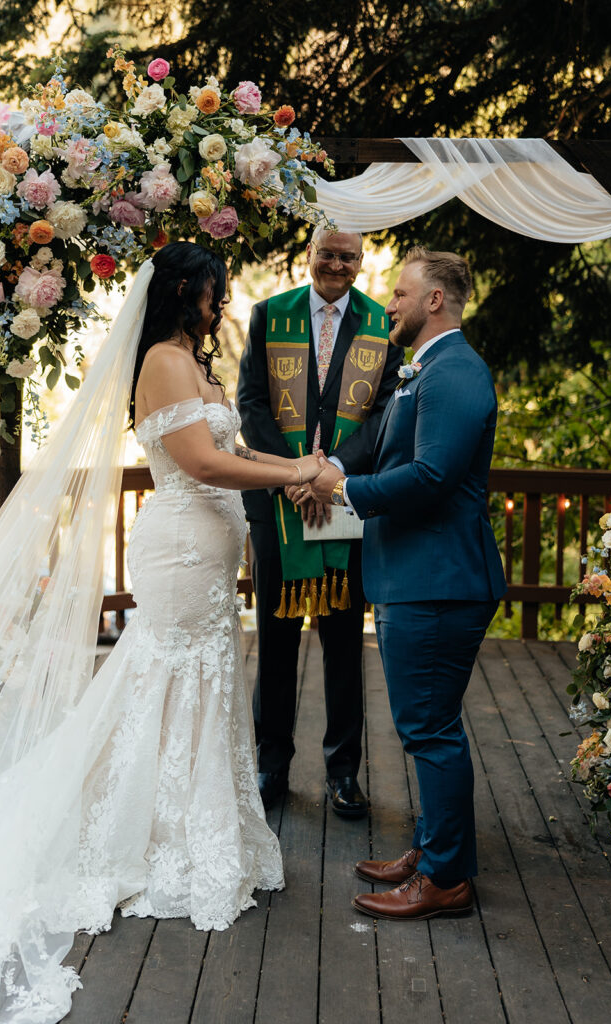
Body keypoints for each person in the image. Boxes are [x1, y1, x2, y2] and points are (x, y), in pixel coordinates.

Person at [0, 243, 325, 1023]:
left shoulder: (195, 364)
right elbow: (201, 464)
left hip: (205, 555)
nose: (218, 296)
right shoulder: (164, 363)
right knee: (165, 677)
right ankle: (142, 837)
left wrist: (298, 463)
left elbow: (234, 449)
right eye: (209, 287)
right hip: (176, 550)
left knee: (196, 681)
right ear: (180, 293)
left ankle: (190, 827)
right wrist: (296, 476)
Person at [309, 247, 507, 919]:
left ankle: (446, 879)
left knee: (429, 730)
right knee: (426, 726)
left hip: (438, 580)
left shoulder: (454, 373)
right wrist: (334, 464)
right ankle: (431, 848)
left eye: (398, 292)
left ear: (433, 301)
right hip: (415, 576)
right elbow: (382, 447)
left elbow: (431, 478)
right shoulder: (422, 368)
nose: (386, 302)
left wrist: (344, 489)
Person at [236, 226, 403, 816]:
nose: (337, 263)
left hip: (343, 498)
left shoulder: (383, 324)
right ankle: (271, 765)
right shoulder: (269, 315)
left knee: (341, 646)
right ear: (311, 256)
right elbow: (251, 403)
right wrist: (293, 474)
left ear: (361, 262)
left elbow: (382, 413)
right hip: (279, 502)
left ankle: (342, 772)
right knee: (276, 642)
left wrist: (329, 471)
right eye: (327, 253)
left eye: (348, 256)